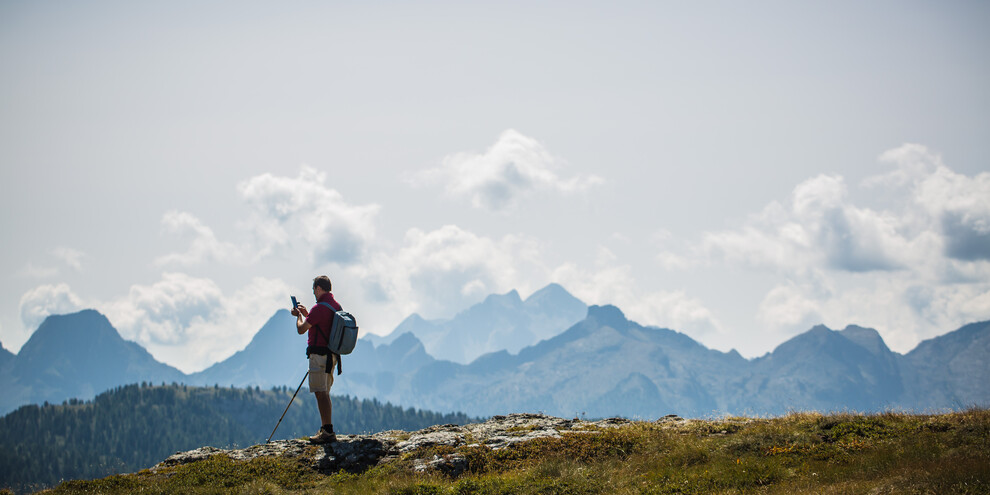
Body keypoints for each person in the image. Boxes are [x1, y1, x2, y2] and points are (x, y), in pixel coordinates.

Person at [291, 275, 342, 444]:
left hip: (319, 356)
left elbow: (301, 329)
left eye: (314, 289)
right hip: (331, 356)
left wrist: (298, 316)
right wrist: (307, 313)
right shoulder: (335, 306)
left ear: (319, 288)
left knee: (321, 393)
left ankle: (327, 431)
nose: (313, 293)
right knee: (324, 391)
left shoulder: (319, 308)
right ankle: (327, 428)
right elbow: (321, 323)